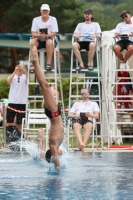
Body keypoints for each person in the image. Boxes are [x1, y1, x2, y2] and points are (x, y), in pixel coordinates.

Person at [31, 46, 64, 171]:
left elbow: (54, 156)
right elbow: (43, 154)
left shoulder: (53, 144)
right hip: (54, 115)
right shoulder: (54, 145)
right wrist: (40, 139)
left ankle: (35, 62)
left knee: (45, 86)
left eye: (57, 154)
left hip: (54, 115)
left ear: (53, 153)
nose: (60, 154)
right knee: (46, 87)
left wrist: (58, 169)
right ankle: (35, 62)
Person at [30, 4, 58, 71]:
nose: (45, 12)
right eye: (43, 10)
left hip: (49, 40)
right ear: (40, 11)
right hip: (38, 40)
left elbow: (54, 33)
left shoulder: (53, 19)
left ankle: (48, 64)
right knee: (33, 41)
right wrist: (39, 35)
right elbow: (33, 33)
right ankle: (33, 63)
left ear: (49, 11)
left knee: (49, 41)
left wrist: (47, 35)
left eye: (46, 10)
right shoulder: (35, 20)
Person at [6, 63, 28, 132]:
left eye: (21, 67)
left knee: (21, 123)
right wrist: (15, 71)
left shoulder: (25, 76)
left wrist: (25, 70)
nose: (20, 68)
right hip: (12, 102)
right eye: (18, 66)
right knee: (9, 122)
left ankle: (20, 139)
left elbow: (29, 81)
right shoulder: (12, 76)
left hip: (22, 102)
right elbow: (8, 81)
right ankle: (10, 137)